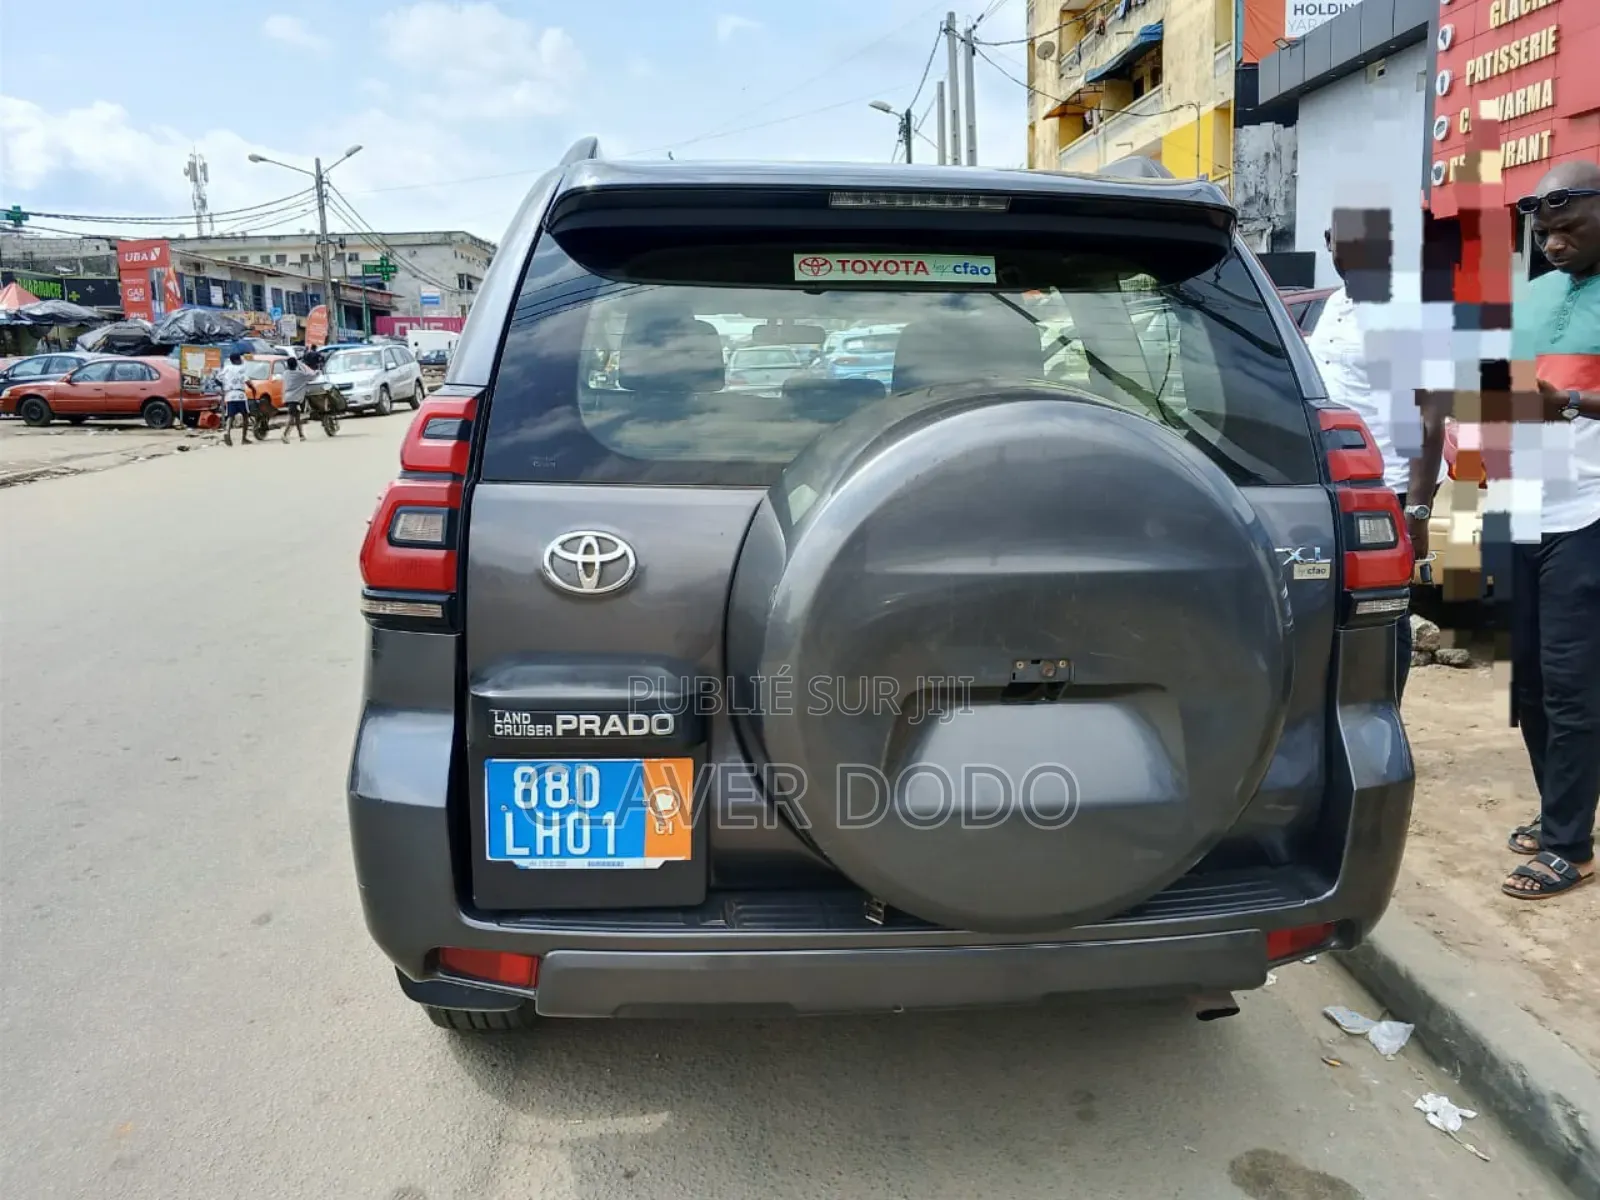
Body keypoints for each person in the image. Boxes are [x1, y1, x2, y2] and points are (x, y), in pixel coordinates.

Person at [1501, 160, 1600, 901]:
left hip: (1589, 513)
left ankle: (1571, 843)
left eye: (1569, 229)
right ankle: (1558, 809)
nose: (1555, 244)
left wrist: (1569, 402)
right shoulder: (1530, 295)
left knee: (1571, 685)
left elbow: (1556, 399)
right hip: (1525, 507)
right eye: (1545, 232)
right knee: (1530, 682)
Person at [1305, 209, 1447, 701]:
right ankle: (1353, 709)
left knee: (1386, 608)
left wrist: (1418, 511)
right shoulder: (1338, 305)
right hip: (1340, 481)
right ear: (1330, 243)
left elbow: (1431, 417)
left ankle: (1385, 718)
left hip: (1388, 485)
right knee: (1349, 605)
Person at [215, 352, 251, 446]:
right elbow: (247, 381)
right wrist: (253, 389)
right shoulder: (241, 368)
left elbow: (217, 378)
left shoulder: (227, 368)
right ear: (238, 359)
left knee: (230, 416)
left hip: (229, 394)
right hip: (240, 395)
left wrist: (224, 386)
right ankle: (244, 438)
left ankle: (227, 432)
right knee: (245, 416)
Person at [279, 356, 312, 442]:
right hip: (295, 398)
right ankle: (285, 434)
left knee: (297, 417)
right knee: (291, 417)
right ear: (296, 365)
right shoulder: (299, 374)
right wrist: (317, 372)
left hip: (287, 398)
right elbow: (310, 377)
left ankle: (301, 435)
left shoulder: (285, 373)